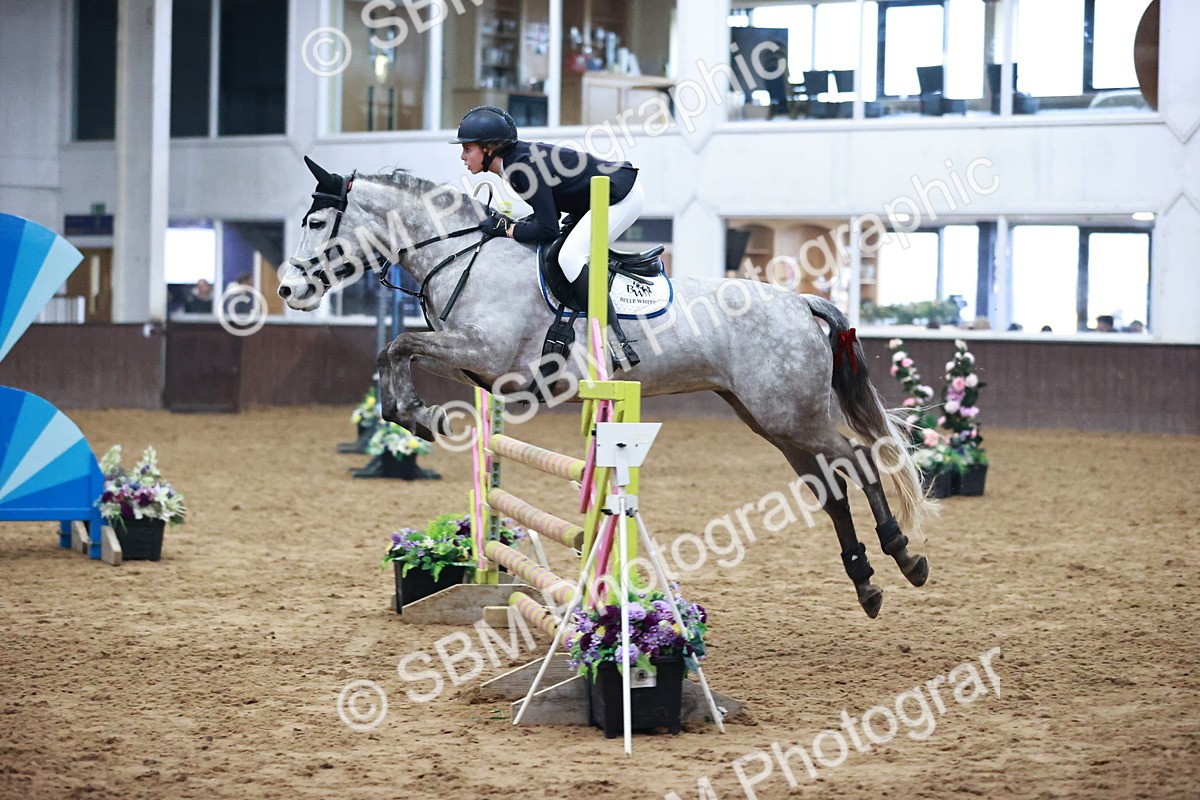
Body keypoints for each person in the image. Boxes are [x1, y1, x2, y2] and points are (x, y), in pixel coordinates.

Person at [450, 105, 644, 367]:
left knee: (570, 257)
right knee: (555, 255)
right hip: (591, 200)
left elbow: (547, 229)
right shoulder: (514, 164)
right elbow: (545, 219)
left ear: (488, 149)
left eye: (467, 149)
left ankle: (615, 341)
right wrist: (512, 226)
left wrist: (507, 229)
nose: (463, 156)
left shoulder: (520, 168)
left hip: (620, 197)